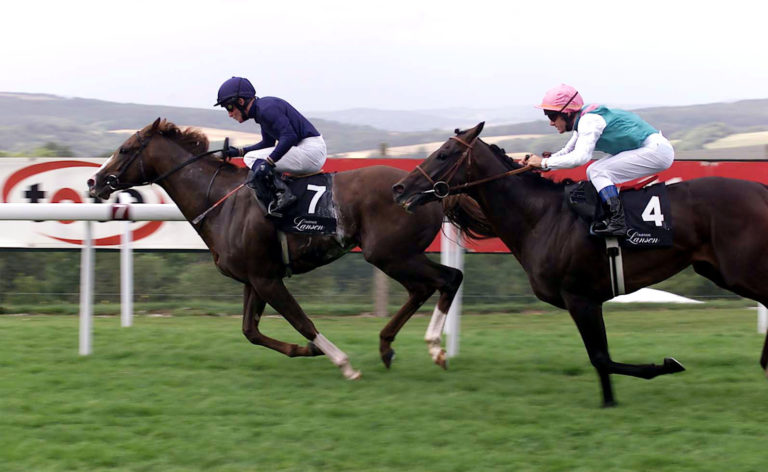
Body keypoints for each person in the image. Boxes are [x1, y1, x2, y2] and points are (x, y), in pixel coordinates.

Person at [525, 84, 675, 237]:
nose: (551, 122)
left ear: (568, 113)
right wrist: (541, 165)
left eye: (551, 115)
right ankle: (613, 215)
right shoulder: (583, 119)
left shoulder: (589, 121)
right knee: (594, 171)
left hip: (656, 151)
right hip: (650, 148)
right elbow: (568, 151)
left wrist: (543, 163)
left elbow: (580, 158)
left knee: (597, 171)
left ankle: (617, 222)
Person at [214, 76, 327, 216]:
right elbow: (267, 144)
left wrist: (268, 162)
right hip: (309, 149)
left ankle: (282, 193)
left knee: (251, 159)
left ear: (241, 101)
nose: (230, 114)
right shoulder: (262, 110)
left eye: (229, 107)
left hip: (310, 151)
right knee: (250, 157)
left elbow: (290, 136)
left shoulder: (266, 109)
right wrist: (238, 152)